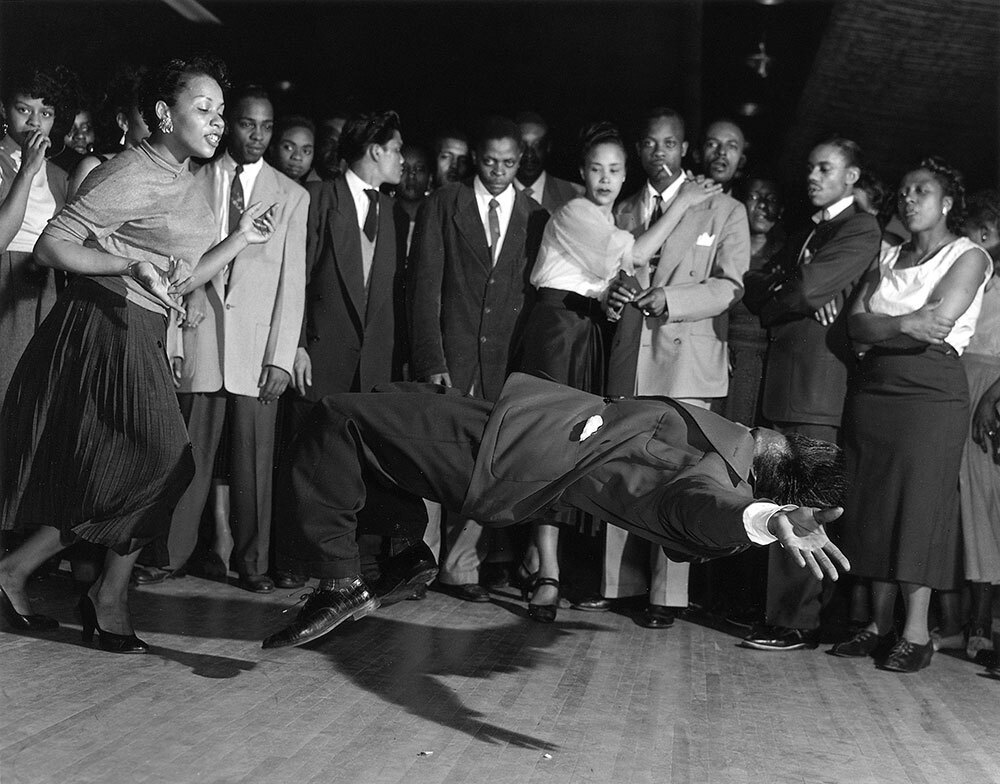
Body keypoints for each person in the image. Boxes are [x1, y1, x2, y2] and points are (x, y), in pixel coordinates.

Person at [0, 55, 276, 651]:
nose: (216, 122)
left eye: (220, 112)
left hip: (143, 329)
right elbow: (51, 246)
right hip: (106, 328)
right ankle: (106, 596)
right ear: (162, 114)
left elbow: (175, 279)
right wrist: (127, 263)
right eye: (202, 109)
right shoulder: (131, 171)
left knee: (121, 473)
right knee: (164, 463)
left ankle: (21, 573)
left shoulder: (181, 176)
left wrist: (238, 240)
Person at [261, 371, 849, 649]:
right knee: (375, 423)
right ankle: (403, 552)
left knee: (339, 417)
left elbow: (706, 511)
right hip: (514, 425)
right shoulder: (721, 452)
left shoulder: (715, 478)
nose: (764, 427)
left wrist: (766, 520)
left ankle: (342, 578)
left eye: (779, 438)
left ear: (775, 464)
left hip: (505, 453)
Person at [583, 108, 749, 630]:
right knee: (621, 465)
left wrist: (670, 299)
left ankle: (667, 595)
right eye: (651, 144)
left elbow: (729, 286)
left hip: (687, 359)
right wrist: (611, 300)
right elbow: (603, 274)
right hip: (631, 358)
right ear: (641, 150)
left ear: (685, 150)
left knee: (678, 473)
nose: (660, 153)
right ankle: (615, 585)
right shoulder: (624, 206)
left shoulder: (724, 209)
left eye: (670, 144)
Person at [834, 158, 991, 673]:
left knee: (918, 507)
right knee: (871, 502)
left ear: (946, 203)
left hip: (929, 392)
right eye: (904, 190)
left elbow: (938, 326)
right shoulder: (887, 254)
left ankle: (917, 634)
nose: (909, 198)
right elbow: (853, 327)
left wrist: (879, 325)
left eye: (921, 190)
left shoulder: (969, 257)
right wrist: (899, 322)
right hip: (874, 389)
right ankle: (876, 625)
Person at [739, 138, 880, 652]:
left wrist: (790, 295)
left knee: (807, 507)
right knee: (780, 501)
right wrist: (790, 294)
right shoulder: (807, 227)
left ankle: (799, 621)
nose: (813, 176)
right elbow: (757, 282)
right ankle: (780, 614)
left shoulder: (860, 228)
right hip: (784, 384)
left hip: (818, 390)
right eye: (810, 166)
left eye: (825, 168)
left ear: (851, 176)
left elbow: (801, 292)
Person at [166, 85, 308, 594]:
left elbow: (293, 287)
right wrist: (174, 339)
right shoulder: (192, 178)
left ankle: (254, 565)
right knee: (189, 458)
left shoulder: (293, 196)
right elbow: (175, 265)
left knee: (254, 467)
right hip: (197, 333)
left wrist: (282, 358)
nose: (259, 135)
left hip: (255, 350)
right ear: (229, 125)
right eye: (249, 124)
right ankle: (171, 554)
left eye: (268, 126)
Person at [273, 110, 415, 592]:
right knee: (305, 463)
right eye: (396, 149)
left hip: (371, 364)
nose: (402, 159)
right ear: (375, 150)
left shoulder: (395, 211)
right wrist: (292, 345)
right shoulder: (318, 197)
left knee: (359, 467)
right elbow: (296, 275)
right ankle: (292, 558)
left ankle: (354, 567)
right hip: (319, 355)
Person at [407, 116, 548, 603]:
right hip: (452, 357)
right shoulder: (443, 205)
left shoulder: (535, 215)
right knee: (432, 461)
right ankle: (417, 567)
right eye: (490, 162)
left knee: (486, 468)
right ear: (475, 159)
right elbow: (424, 289)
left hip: (503, 364)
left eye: (509, 164)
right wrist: (431, 359)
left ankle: (461, 568)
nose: (498, 172)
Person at [0, 65, 77, 402]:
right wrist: (27, 171)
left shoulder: (60, 175)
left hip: (45, 288)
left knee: (36, 402)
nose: (35, 122)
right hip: (5, 285)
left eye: (45, 113)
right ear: (3, 110)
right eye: (23, 110)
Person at [958, 190, 1000, 663]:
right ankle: (955, 622)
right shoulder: (969, 285)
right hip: (956, 385)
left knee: (981, 506)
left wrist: (990, 398)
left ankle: (981, 624)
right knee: (960, 506)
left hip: (985, 393)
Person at [67, 66, 150, 200]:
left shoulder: (174, 174)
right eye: (146, 113)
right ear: (123, 122)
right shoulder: (93, 167)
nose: (156, 121)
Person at [513, 111, 583, 212]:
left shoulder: (575, 195)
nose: (529, 155)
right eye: (522, 146)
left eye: (537, 145)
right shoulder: (495, 191)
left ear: (548, 147)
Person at [699, 119, 747, 192]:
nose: (721, 151)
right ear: (697, 155)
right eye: (712, 144)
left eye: (731, 146)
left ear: (741, 161)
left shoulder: (741, 202)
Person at [268, 115, 318, 185]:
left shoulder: (312, 192)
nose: (297, 157)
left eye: (306, 151)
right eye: (288, 148)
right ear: (272, 149)